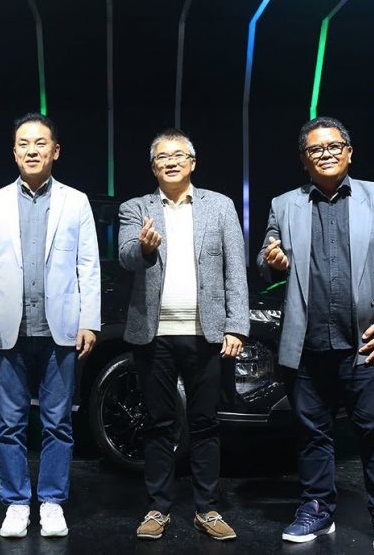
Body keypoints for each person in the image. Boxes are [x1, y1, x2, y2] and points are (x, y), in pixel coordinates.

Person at [258, 117, 374, 553]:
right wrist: (271, 259)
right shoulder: (284, 204)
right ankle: (317, 509)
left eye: (333, 146)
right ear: (303, 160)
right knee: (312, 433)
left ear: (349, 152)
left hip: (369, 342)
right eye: (315, 149)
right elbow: (267, 253)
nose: (325, 154)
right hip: (306, 345)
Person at [0, 113, 101, 538]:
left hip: (60, 329)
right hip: (10, 329)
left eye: (40, 143)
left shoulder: (76, 201)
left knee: (58, 423)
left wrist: (90, 321)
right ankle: (17, 502)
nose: (32, 150)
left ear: (55, 151)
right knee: (9, 424)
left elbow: (89, 265)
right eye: (23, 143)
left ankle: (53, 501)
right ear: (14, 152)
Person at [118, 129, 249, 541]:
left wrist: (236, 325)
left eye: (179, 155)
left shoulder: (220, 206)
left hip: (205, 334)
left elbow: (236, 268)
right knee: (158, 423)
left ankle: (207, 509)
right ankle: (158, 508)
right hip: (154, 334)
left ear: (192, 162)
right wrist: (144, 247)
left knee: (205, 423)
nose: (171, 161)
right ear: (153, 167)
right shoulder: (135, 208)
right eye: (162, 157)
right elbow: (125, 257)